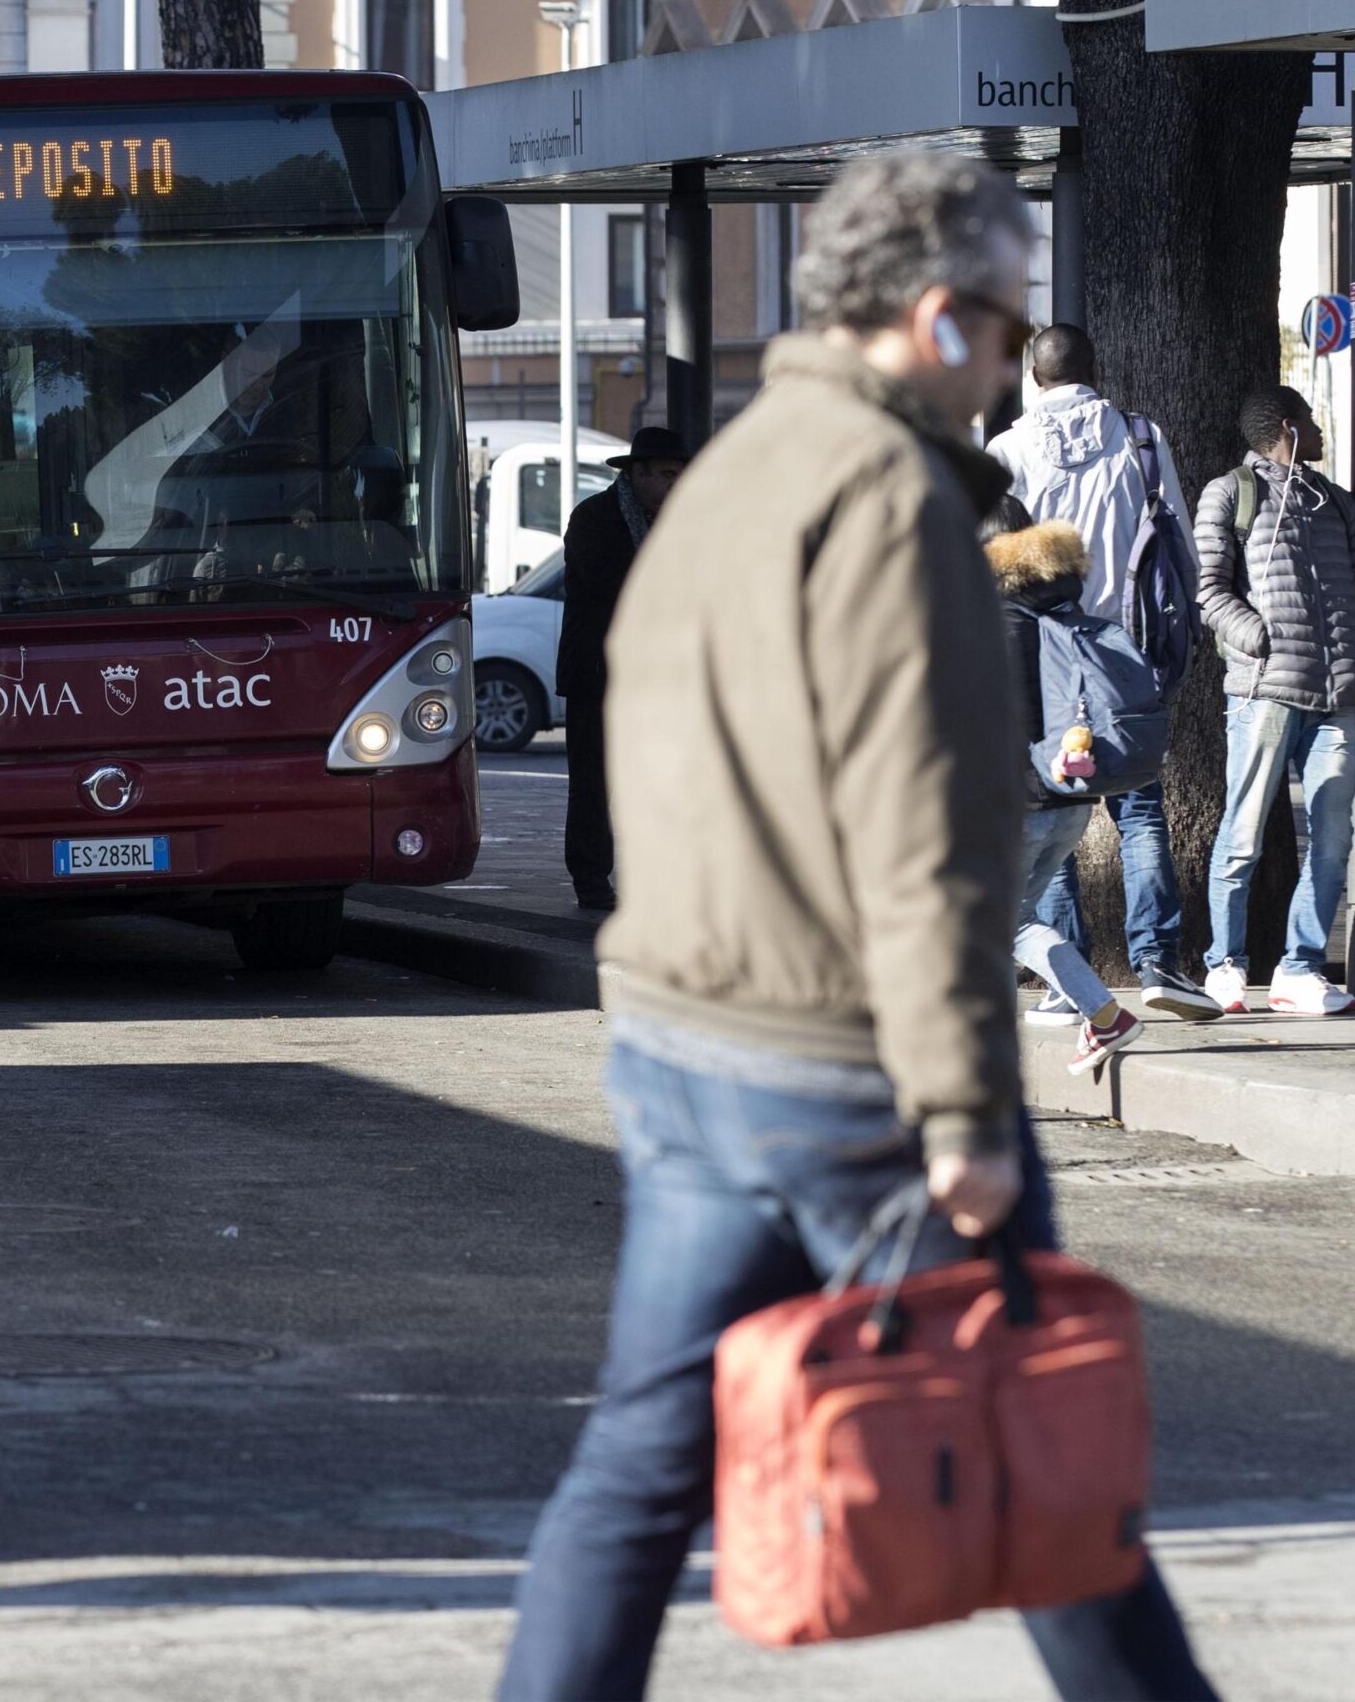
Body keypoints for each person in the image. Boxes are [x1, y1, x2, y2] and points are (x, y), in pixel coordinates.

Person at [498, 152, 1215, 1702]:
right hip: (848, 1070)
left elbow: (654, 759)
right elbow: (930, 840)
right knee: (1048, 1460)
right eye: (1012, 326)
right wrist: (963, 1110)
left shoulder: (736, 474)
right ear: (942, 317)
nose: (1017, 363)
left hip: (688, 1040)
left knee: (634, 1470)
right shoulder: (897, 502)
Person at [987, 326, 1216, 1024]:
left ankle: (1068, 975)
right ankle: (1158, 962)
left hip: (1041, 647)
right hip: (1125, 650)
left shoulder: (1008, 448)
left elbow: (991, 546)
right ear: (1099, 368)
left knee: (1050, 799)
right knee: (1140, 806)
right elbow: (1175, 534)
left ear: (1033, 375)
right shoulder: (1140, 438)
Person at [1191, 386, 1355, 1017]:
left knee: (1333, 839)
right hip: (1263, 693)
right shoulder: (1230, 492)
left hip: (1336, 694)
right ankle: (1225, 966)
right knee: (1242, 834)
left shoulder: (1336, 503)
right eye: (1313, 423)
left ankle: (1301, 968)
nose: (1321, 433)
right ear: (1289, 427)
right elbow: (1208, 590)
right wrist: (1259, 641)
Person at [982, 498, 1147, 1074]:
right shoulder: (1060, 603)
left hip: (1013, 802)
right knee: (1015, 918)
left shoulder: (986, 619)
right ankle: (1099, 1019)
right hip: (1069, 797)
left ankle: (1102, 1016)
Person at [556, 426, 690, 910]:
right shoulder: (595, 518)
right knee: (594, 783)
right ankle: (590, 881)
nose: (677, 484)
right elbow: (610, 584)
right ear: (638, 474)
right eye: (669, 475)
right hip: (599, 672)